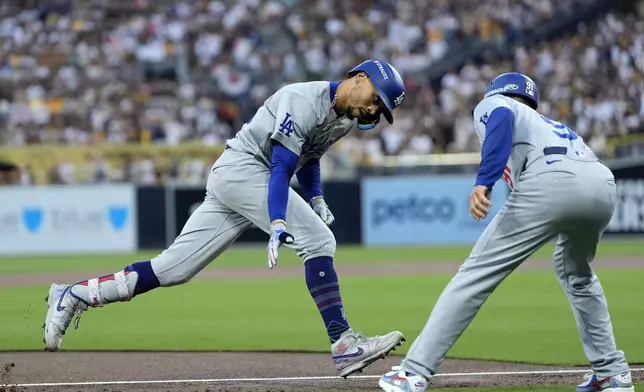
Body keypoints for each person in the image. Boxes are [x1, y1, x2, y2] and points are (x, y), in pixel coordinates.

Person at [44, 59, 407, 378]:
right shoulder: (302, 99)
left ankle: (74, 294)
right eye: (377, 99)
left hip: (237, 177)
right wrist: (278, 221)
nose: (376, 111)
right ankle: (343, 342)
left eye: (383, 109)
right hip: (245, 171)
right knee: (319, 241)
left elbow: (309, 158)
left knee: (172, 269)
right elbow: (281, 167)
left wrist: (316, 198)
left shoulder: (344, 120)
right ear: (359, 77)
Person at [378, 73, 634, 392]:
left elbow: (499, 118)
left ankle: (414, 372)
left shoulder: (495, 104)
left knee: (475, 274)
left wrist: (483, 182)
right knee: (577, 274)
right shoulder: (547, 123)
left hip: (552, 182)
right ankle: (612, 372)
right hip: (603, 185)